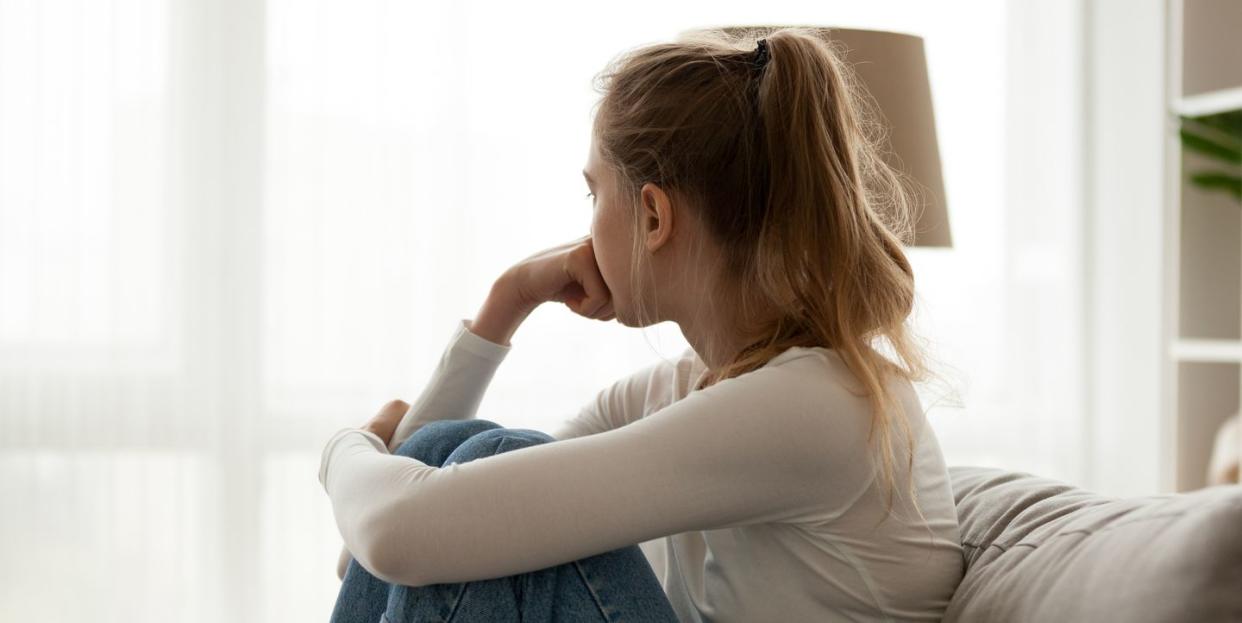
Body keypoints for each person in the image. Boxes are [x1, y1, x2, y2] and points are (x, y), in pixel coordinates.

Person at [320, 26, 964, 622]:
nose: (588, 221)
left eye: (594, 192)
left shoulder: (814, 403)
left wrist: (345, 449)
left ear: (654, 217)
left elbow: (395, 533)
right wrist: (505, 304)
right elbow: (383, 551)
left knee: (492, 457)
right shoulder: (684, 389)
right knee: (456, 458)